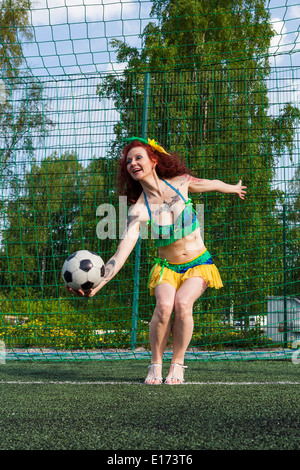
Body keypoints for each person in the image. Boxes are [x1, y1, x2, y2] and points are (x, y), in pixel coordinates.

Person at [67, 137, 247, 384]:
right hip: (167, 269)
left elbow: (211, 184)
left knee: (183, 304)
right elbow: (120, 255)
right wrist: (96, 285)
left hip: (199, 264)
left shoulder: (181, 183)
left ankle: (178, 364)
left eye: (138, 157)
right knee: (164, 307)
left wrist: (233, 188)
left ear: (153, 160)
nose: (132, 163)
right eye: (128, 161)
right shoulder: (138, 211)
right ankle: (155, 364)